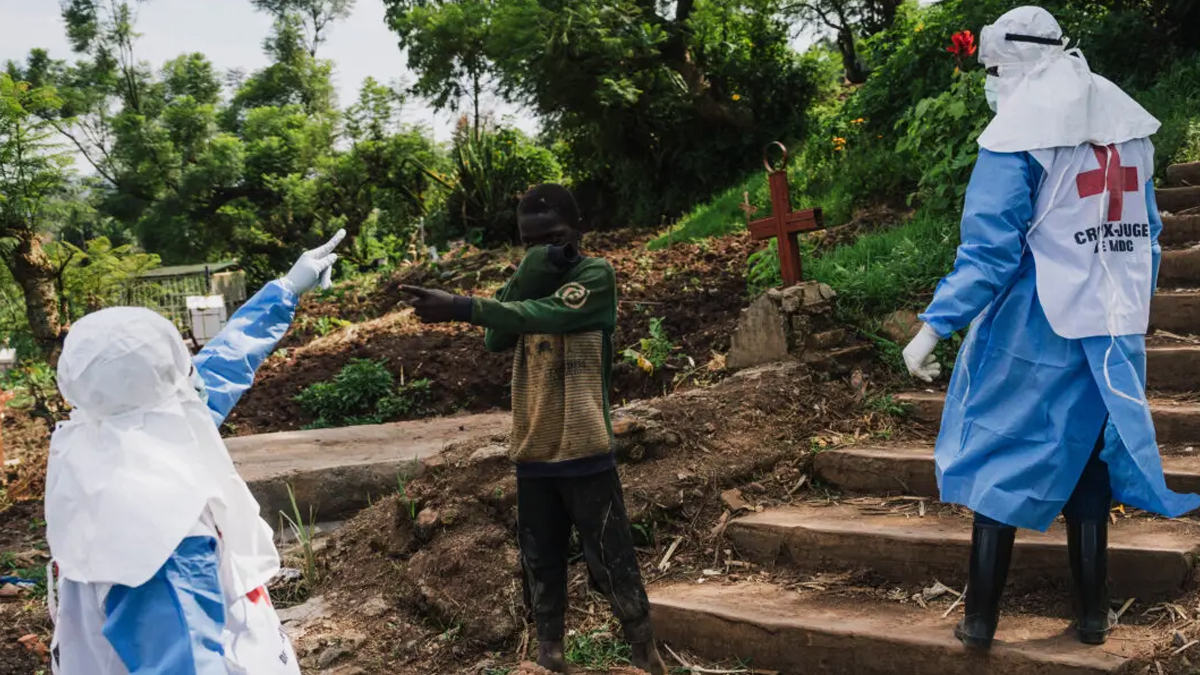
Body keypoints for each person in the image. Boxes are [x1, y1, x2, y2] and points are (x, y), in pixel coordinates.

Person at [901, 5, 1200, 650]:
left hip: (1030, 330)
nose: (989, 81)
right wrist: (1127, 308)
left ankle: (980, 621)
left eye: (993, 69)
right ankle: (1092, 618)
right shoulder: (1126, 126)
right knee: (1088, 459)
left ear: (1015, 64)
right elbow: (1148, 233)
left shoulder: (1017, 138)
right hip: (1109, 326)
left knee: (997, 451)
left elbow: (989, 253)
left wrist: (934, 327)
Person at [44, 231, 344, 675]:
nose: (192, 374)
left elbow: (217, 370)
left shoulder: (103, 441)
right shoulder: (161, 531)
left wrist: (283, 291)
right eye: (181, 363)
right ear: (164, 387)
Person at [402, 184, 666, 674]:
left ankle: (645, 655)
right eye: (530, 242)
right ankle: (551, 657)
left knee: (612, 561)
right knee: (541, 567)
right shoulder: (530, 278)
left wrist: (462, 304)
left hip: (585, 446)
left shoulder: (594, 275)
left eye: (554, 236)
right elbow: (497, 337)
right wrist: (529, 271)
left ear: (577, 231)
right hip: (534, 451)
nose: (543, 248)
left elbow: (543, 314)